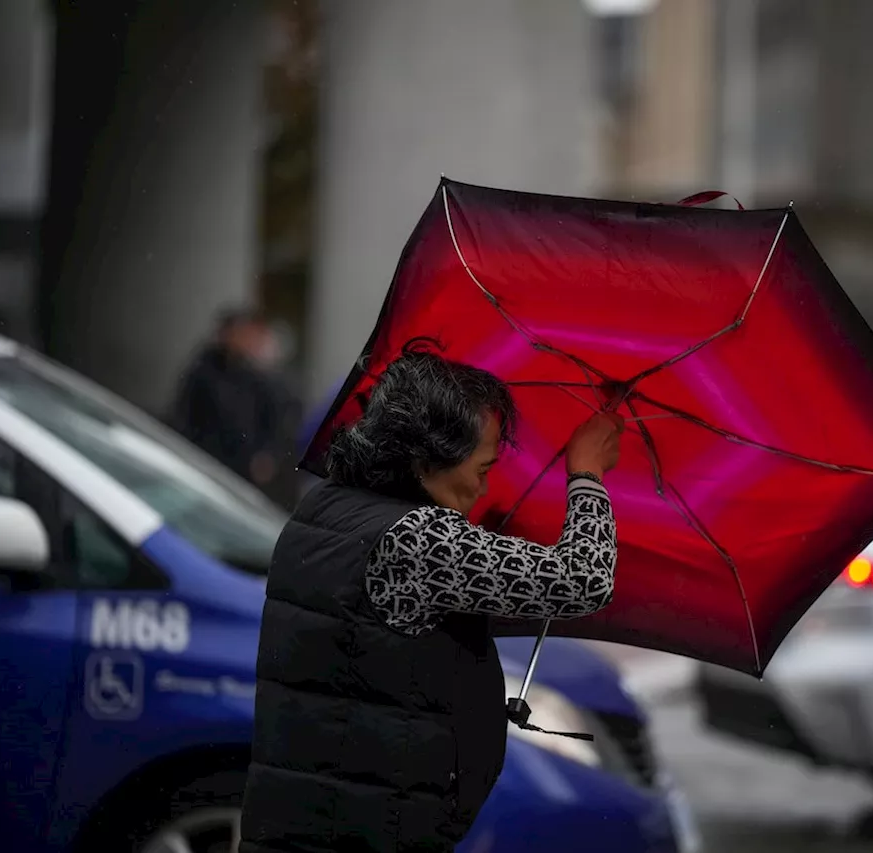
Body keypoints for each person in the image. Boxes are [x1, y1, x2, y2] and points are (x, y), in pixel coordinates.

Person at [238, 339, 624, 853]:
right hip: (363, 835)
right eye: (482, 470)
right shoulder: (417, 540)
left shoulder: (325, 509)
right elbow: (583, 579)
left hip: (309, 824)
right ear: (425, 460)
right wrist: (587, 472)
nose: (484, 490)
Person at [172, 307, 287, 489]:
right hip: (209, 464)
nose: (245, 341)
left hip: (244, 472)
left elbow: (272, 422)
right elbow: (185, 419)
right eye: (240, 334)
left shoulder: (255, 376)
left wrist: (267, 455)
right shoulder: (203, 373)